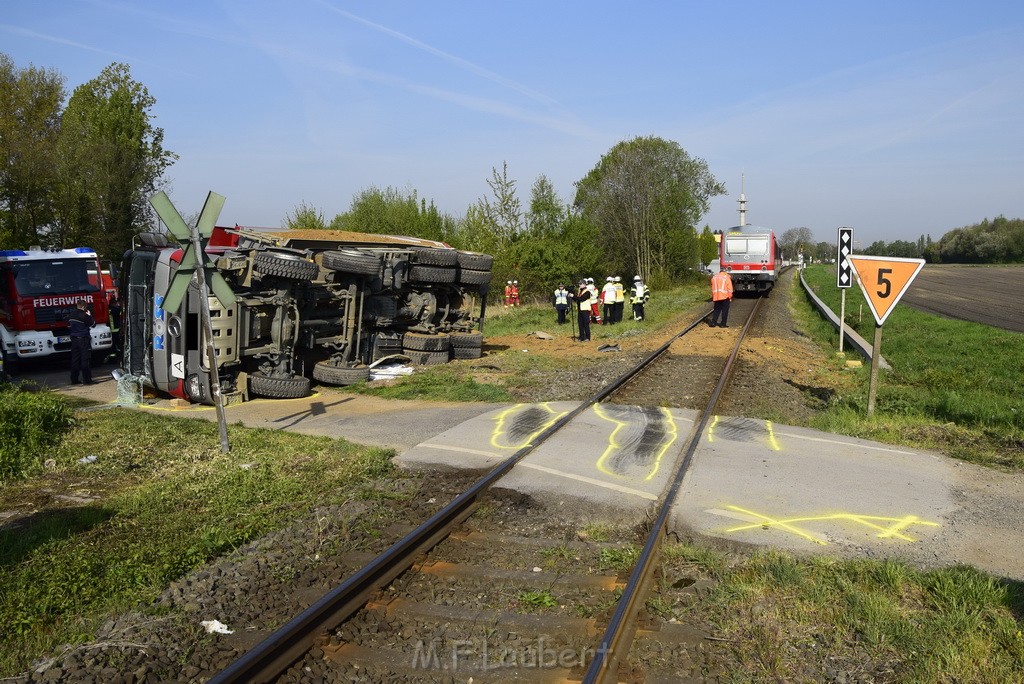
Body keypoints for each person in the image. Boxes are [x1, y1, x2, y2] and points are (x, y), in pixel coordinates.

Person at [67, 299, 95, 384]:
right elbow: (93, 324)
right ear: (83, 306)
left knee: (75, 360)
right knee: (85, 360)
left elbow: (68, 326)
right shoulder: (84, 315)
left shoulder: (71, 315)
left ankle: (74, 380)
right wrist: (90, 315)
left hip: (74, 340)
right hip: (83, 340)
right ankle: (87, 380)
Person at [107, 293, 122, 360]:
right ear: (113, 303)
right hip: (115, 329)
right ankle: (118, 355)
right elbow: (119, 312)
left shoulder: (108, 309)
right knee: (118, 343)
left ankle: (112, 356)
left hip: (109, 329)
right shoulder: (115, 310)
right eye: (116, 303)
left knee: (112, 345)